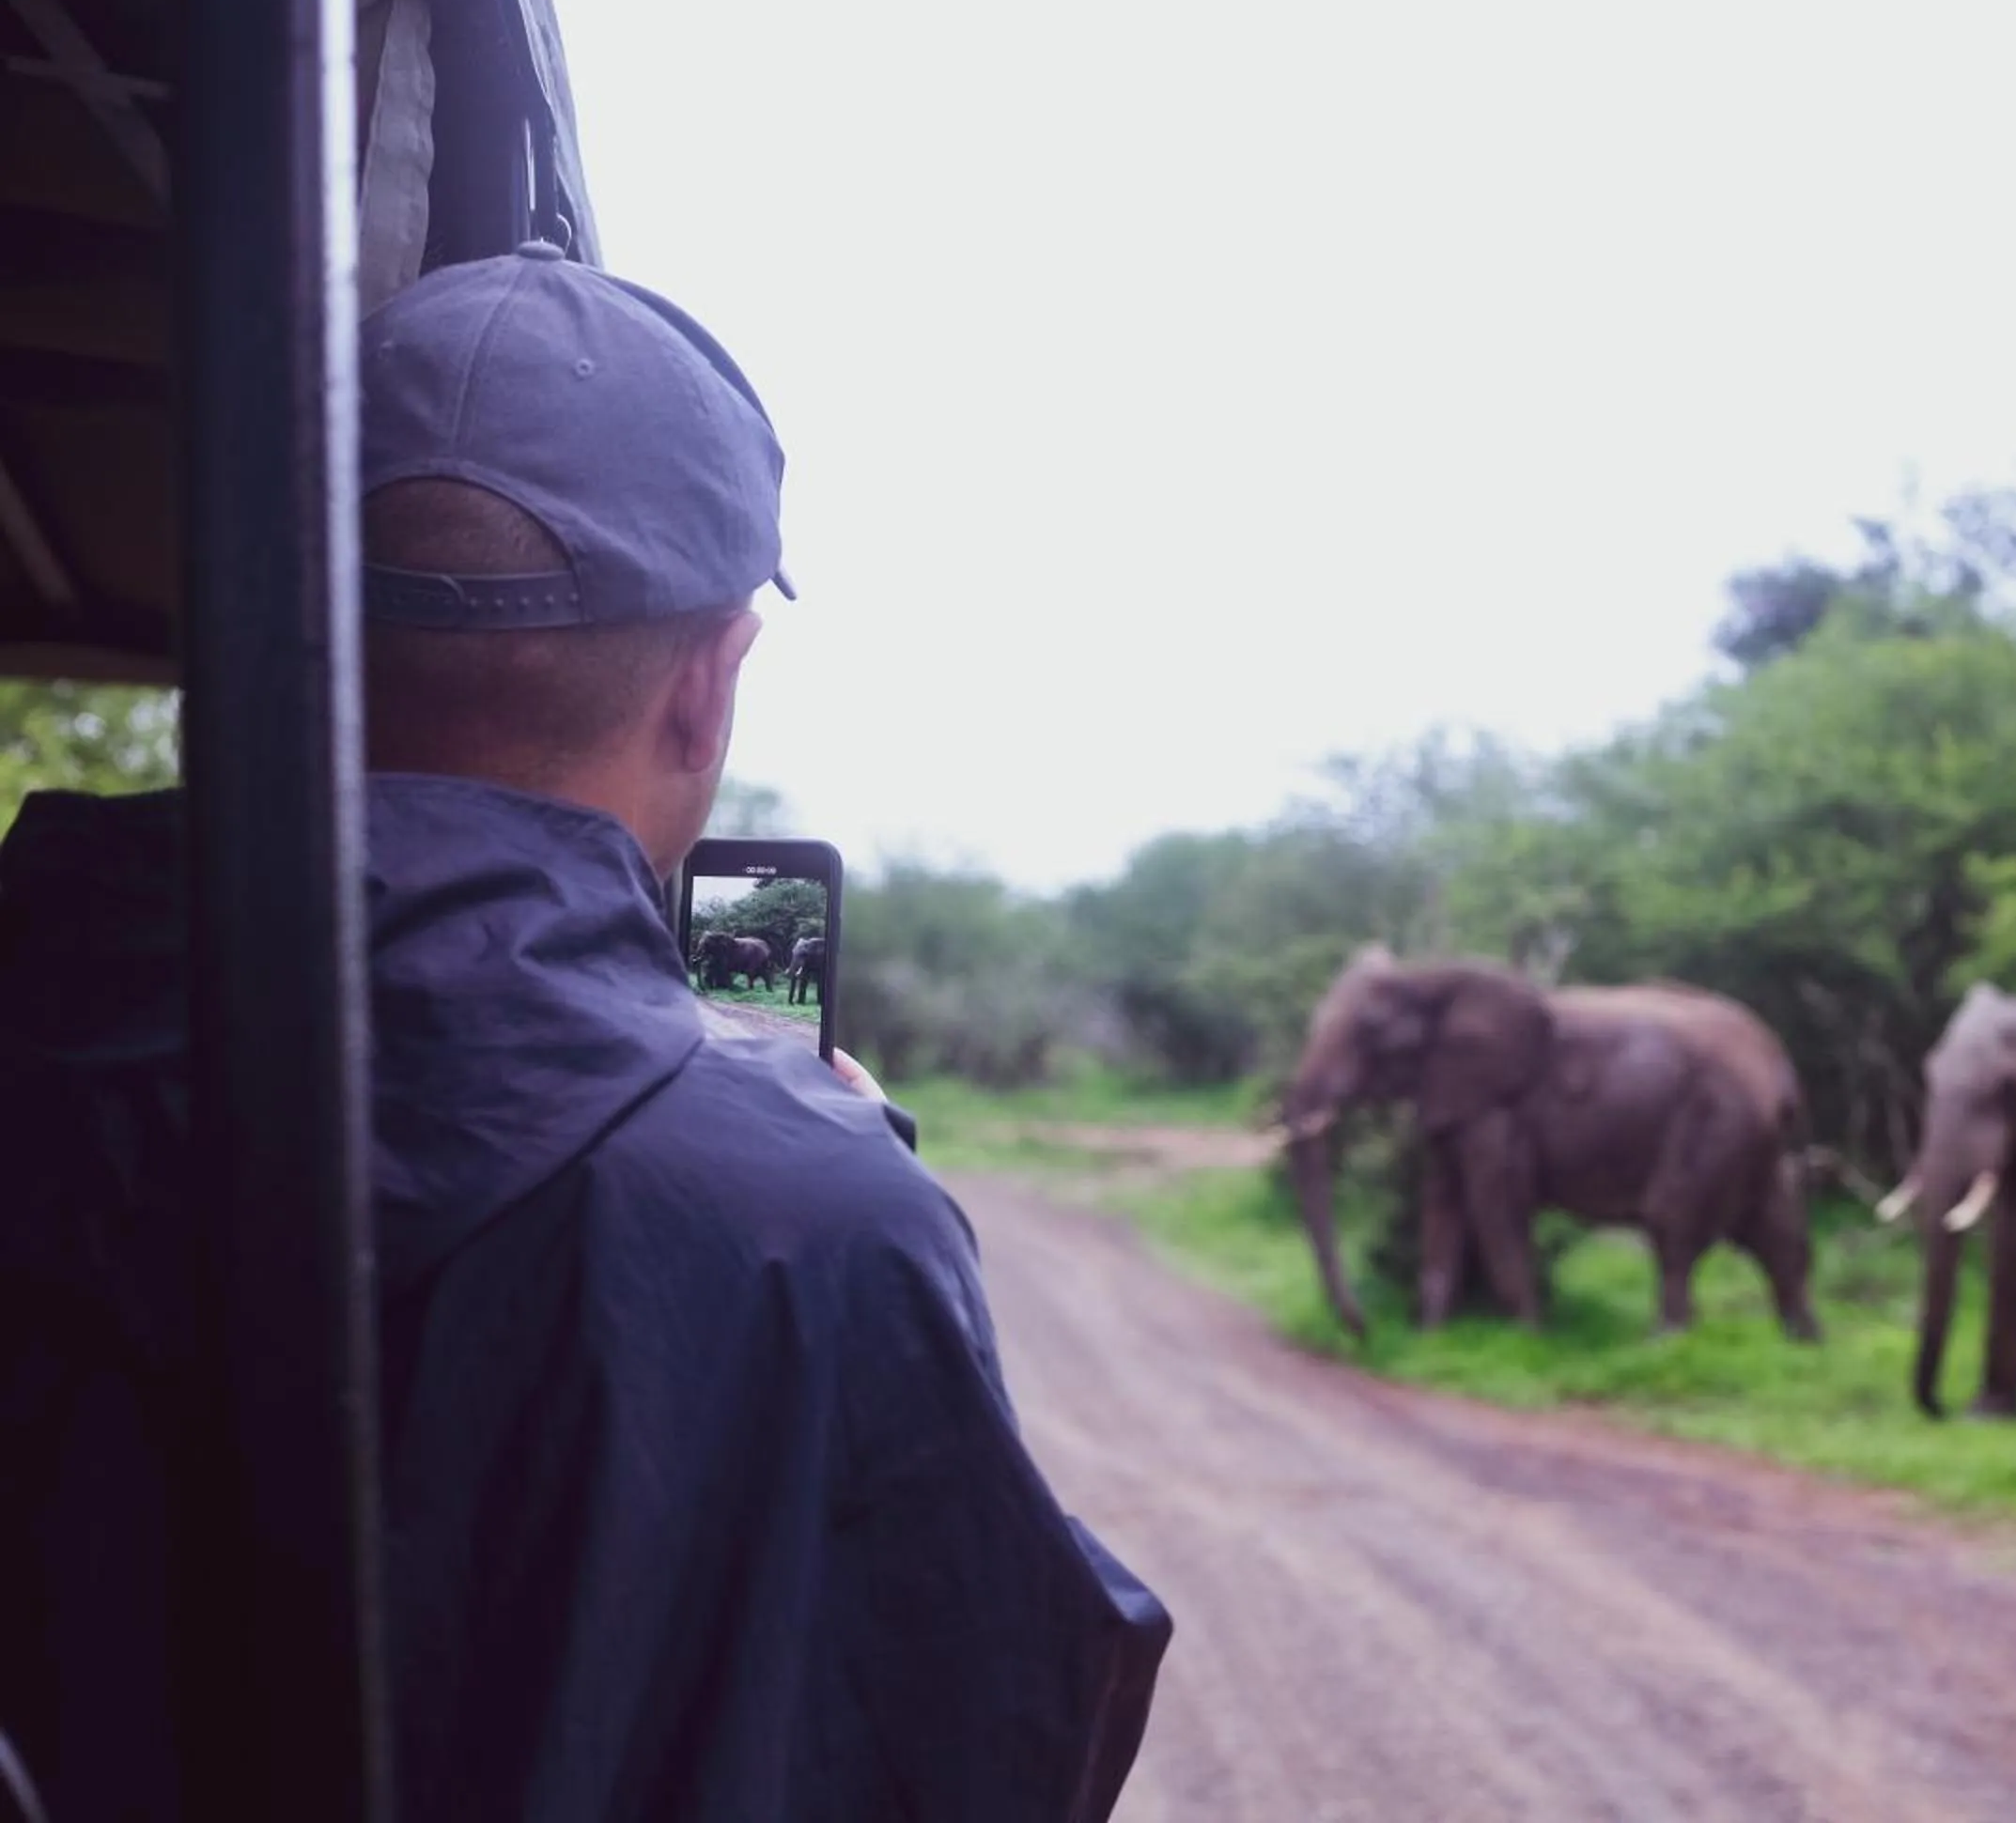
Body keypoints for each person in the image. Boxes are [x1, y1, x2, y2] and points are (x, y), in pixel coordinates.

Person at [0, 245, 1169, 1820]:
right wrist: (830, 1192)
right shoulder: (821, 1225)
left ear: (265, 624)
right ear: (709, 689)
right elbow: (973, 1738)